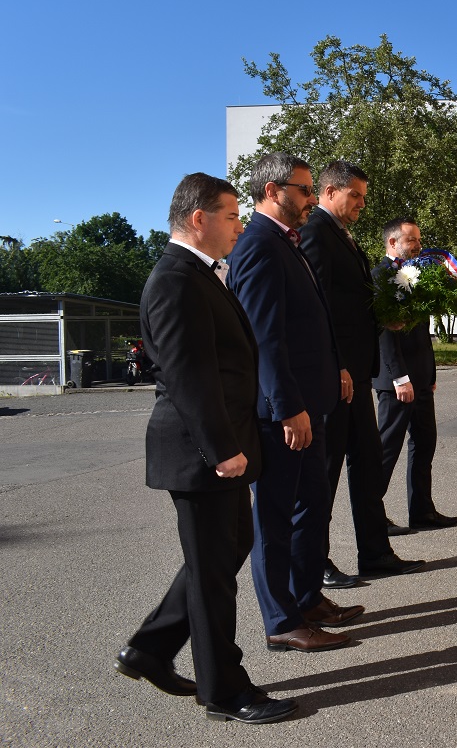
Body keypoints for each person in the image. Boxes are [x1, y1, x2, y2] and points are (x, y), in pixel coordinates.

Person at [115, 172, 296, 724]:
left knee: (224, 551)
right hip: (200, 452)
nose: (239, 226)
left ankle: (149, 648)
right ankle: (223, 689)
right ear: (199, 218)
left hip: (217, 445)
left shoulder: (201, 275)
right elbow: (190, 377)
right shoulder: (174, 280)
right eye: (232, 216)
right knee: (213, 571)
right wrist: (221, 449)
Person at [226, 152, 361, 654]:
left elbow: (310, 319)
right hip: (285, 412)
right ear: (271, 191)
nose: (310, 199)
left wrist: (337, 367)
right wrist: (287, 407)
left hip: (312, 399)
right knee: (276, 519)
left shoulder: (288, 241)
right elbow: (265, 337)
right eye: (304, 190)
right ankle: (282, 620)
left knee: (312, 505)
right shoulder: (259, 245)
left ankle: (306, 598)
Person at [299, 160, 425, 585]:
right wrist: (333, 366)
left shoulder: (341, 234)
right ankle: (317, 562)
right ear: (330, 191)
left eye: (363, 198)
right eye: (354, 196)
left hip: (356, 372)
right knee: (327, 473)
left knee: (367, 464)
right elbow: (319, 308)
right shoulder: (315, 232)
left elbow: (353, 302)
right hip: (338, 376)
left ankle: (375, 552)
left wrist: (382, 319)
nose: (360, 205)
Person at [373, 216, 457, 530]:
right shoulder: (381, 276)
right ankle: (373, 515)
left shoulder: (416, 274)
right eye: (413, 241)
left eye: (420, 240)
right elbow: (385, 333)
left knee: (425, 444)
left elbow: (421, 331)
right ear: (394, 242)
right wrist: (400, 377)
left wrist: (431, 373)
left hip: (421, 376)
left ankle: (422, 510)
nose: (420, 246)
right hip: (398, 381)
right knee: (387, 449)